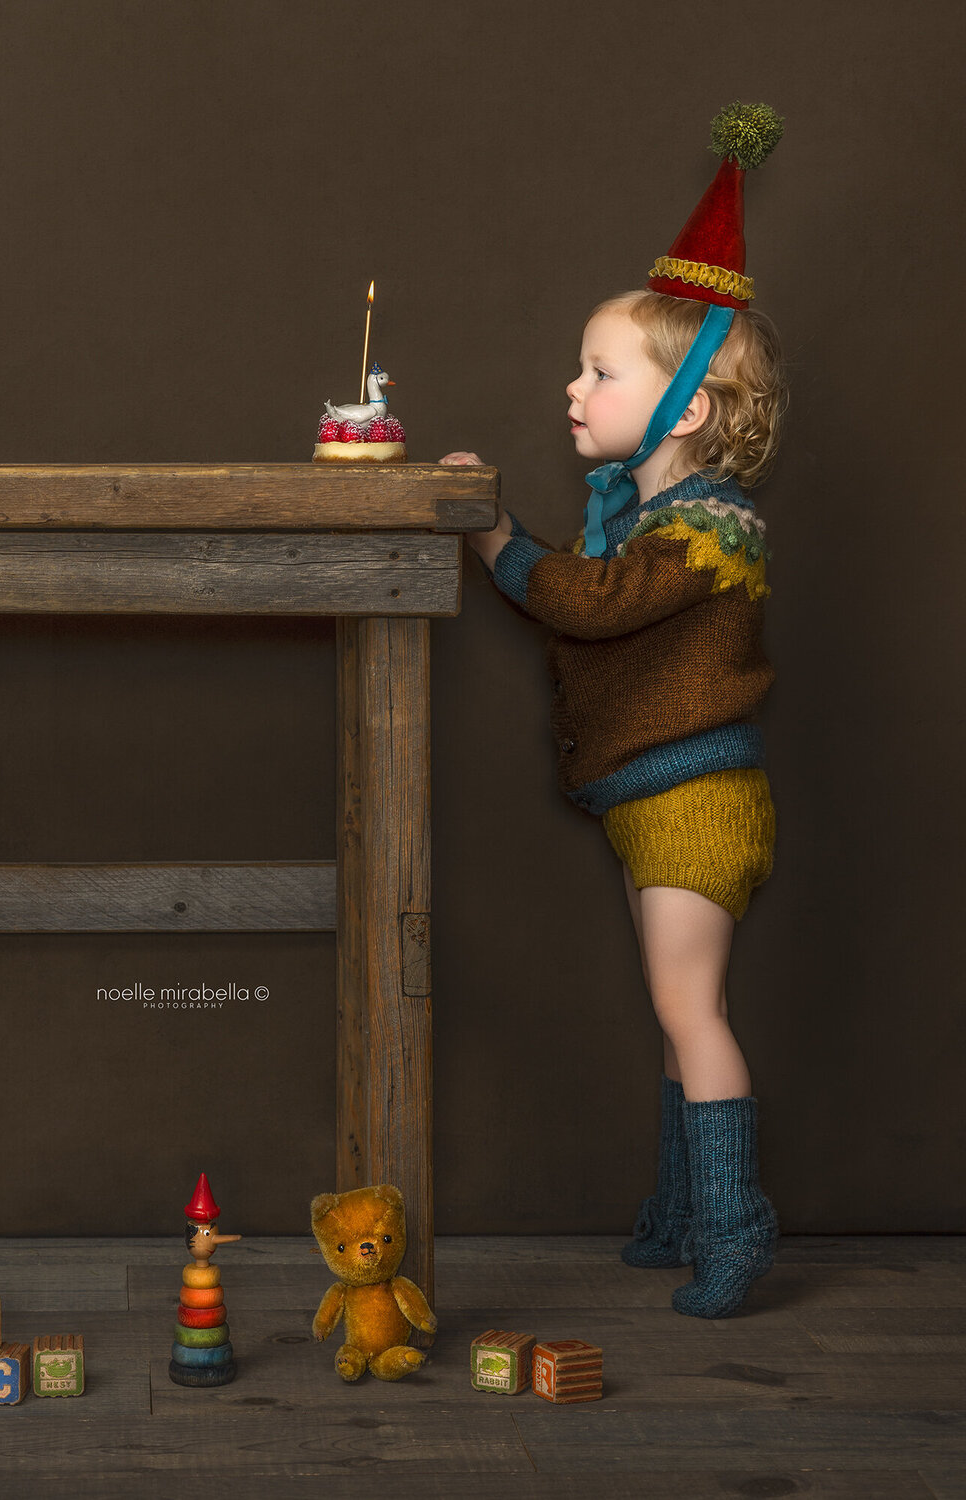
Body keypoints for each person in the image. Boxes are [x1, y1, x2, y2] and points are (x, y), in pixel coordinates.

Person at [441, 103, 787, 1319]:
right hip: (659, 800)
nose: (572, 388)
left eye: (601, 371)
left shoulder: (707, 532)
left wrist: (492, 536)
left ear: (686, 407)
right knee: (675, 1009)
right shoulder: (648, 516)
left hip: (698, 804)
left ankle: (736, 1232)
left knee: (691, 1009)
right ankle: (679, 1214)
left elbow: (591, 607)